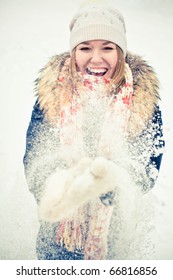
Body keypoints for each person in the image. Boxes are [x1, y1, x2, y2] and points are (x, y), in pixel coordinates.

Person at [23, 2, 165, 260]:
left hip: (115, 242)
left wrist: (115, 180)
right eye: (85, 47)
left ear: (120, 53)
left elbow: (147, 166)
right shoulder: (52, 96)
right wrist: (55, 183)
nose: (96, 58)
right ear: (73, 52)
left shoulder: (142, 101)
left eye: (108, 48)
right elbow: (34, 158)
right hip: (57, 242)